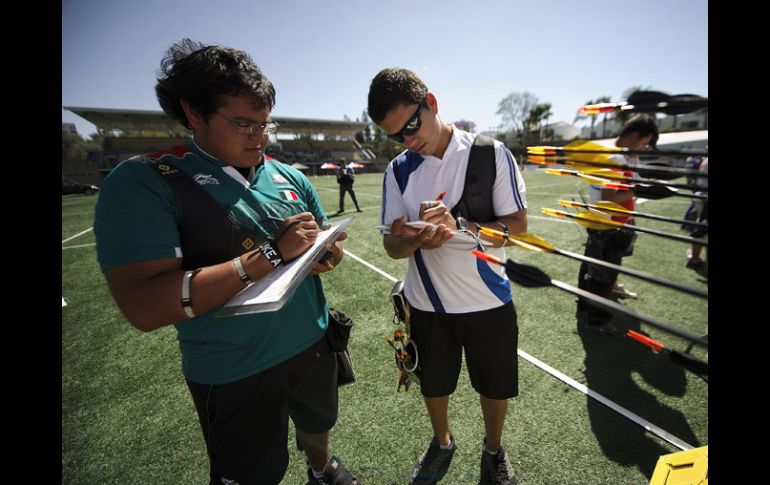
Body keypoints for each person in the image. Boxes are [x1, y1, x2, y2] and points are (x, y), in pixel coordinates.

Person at [93, 39, 359, 485]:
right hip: (235, 366)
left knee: (318, 420)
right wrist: (271, 254)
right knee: (252, 472)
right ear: (194, 112)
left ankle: (320, 468)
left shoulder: (288, 174)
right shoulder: (147, 180)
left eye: (265, 124)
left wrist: (326, 255)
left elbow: (325, 250)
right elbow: (143, 306)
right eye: (244, 124)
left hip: (311, 341)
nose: (261, 136)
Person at [367, 67, 527, 485]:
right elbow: (392, 246)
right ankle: (442, 441)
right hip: (426, 304)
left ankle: (494, 450)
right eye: (395, 135)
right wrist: (413, 241)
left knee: (494, 386)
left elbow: (518, 227)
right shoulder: (398, 171)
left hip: (488, 300)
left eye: (412, 125)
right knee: (433, 383)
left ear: (431, 103)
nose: (407, 140)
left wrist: (459, 225)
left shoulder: (489, 153)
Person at [576, 114, 659, 334]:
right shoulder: (615, 159)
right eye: (643, 143)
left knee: (592, 267)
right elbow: (609, 198)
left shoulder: (622, 157)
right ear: (633, 136)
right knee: (604, 273)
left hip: (610, 223)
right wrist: (640, 190)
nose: (643, 148)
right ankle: (597, 321)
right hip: (607, 225)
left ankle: (584, 306)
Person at [685, 156, 708, 278]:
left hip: (701, 196)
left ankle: (694, 259)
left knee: (700, 230)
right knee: (703, 231)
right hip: (705, 198)